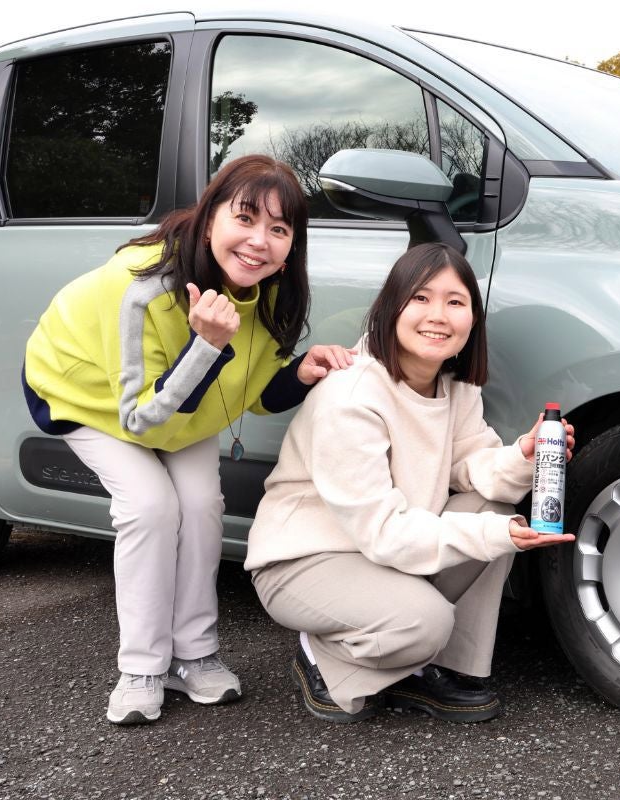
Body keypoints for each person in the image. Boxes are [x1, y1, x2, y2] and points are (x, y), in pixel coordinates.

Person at [22, 155, 355, 725]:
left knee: (201, 506)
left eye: (279, 229)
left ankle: (194, 655)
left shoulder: (269, 289)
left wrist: (300, 373)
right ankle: (142, 666)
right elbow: (140, 421)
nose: (259, 242)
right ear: (208, 219)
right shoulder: (142, 289)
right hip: (87, 397)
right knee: (150, 507)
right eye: (245, 218)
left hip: (177, 406)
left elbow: (248, 392)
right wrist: (205, 345)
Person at [245, 242, 575, 724]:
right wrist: (494, 538)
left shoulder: (456, 387)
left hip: (382, 552)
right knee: (426, 619)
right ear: (390, 308)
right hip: (306, 561)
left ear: (472, 321)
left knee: (493, 509)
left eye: (455, 302)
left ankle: (441, 668)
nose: (437, 315)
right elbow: (382, 530)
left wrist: (522, 457)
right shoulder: (353, 395)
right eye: (420, 298)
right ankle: (321, 654)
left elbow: (472, 466)